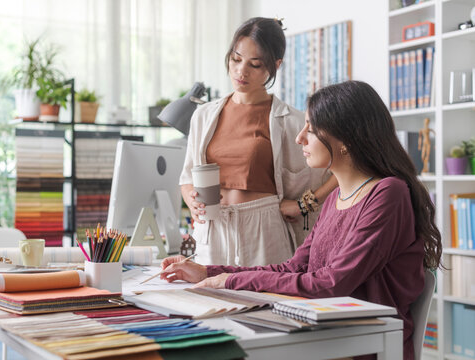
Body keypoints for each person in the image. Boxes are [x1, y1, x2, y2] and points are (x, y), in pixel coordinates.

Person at [162, 80, 442, 360]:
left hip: (364, 346)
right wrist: (209, 273)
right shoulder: (335, 198)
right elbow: (293, 268)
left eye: (312, 128)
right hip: (326, 337)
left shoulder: (387, 194)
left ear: (345, 140)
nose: (300, 138)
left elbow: (332, 284)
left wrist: (229, 282)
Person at [180, 17, 337, 267]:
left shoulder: (294, 122)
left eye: (254, 64)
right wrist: (192, 200)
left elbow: (342, 167)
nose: (241, 71)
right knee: (208, 302)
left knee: (264, 302)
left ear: (275, 66)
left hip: (264, 233)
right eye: (236, 59)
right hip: (212, 231)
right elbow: (187, 178)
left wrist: (302, 206)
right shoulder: (204, 115)